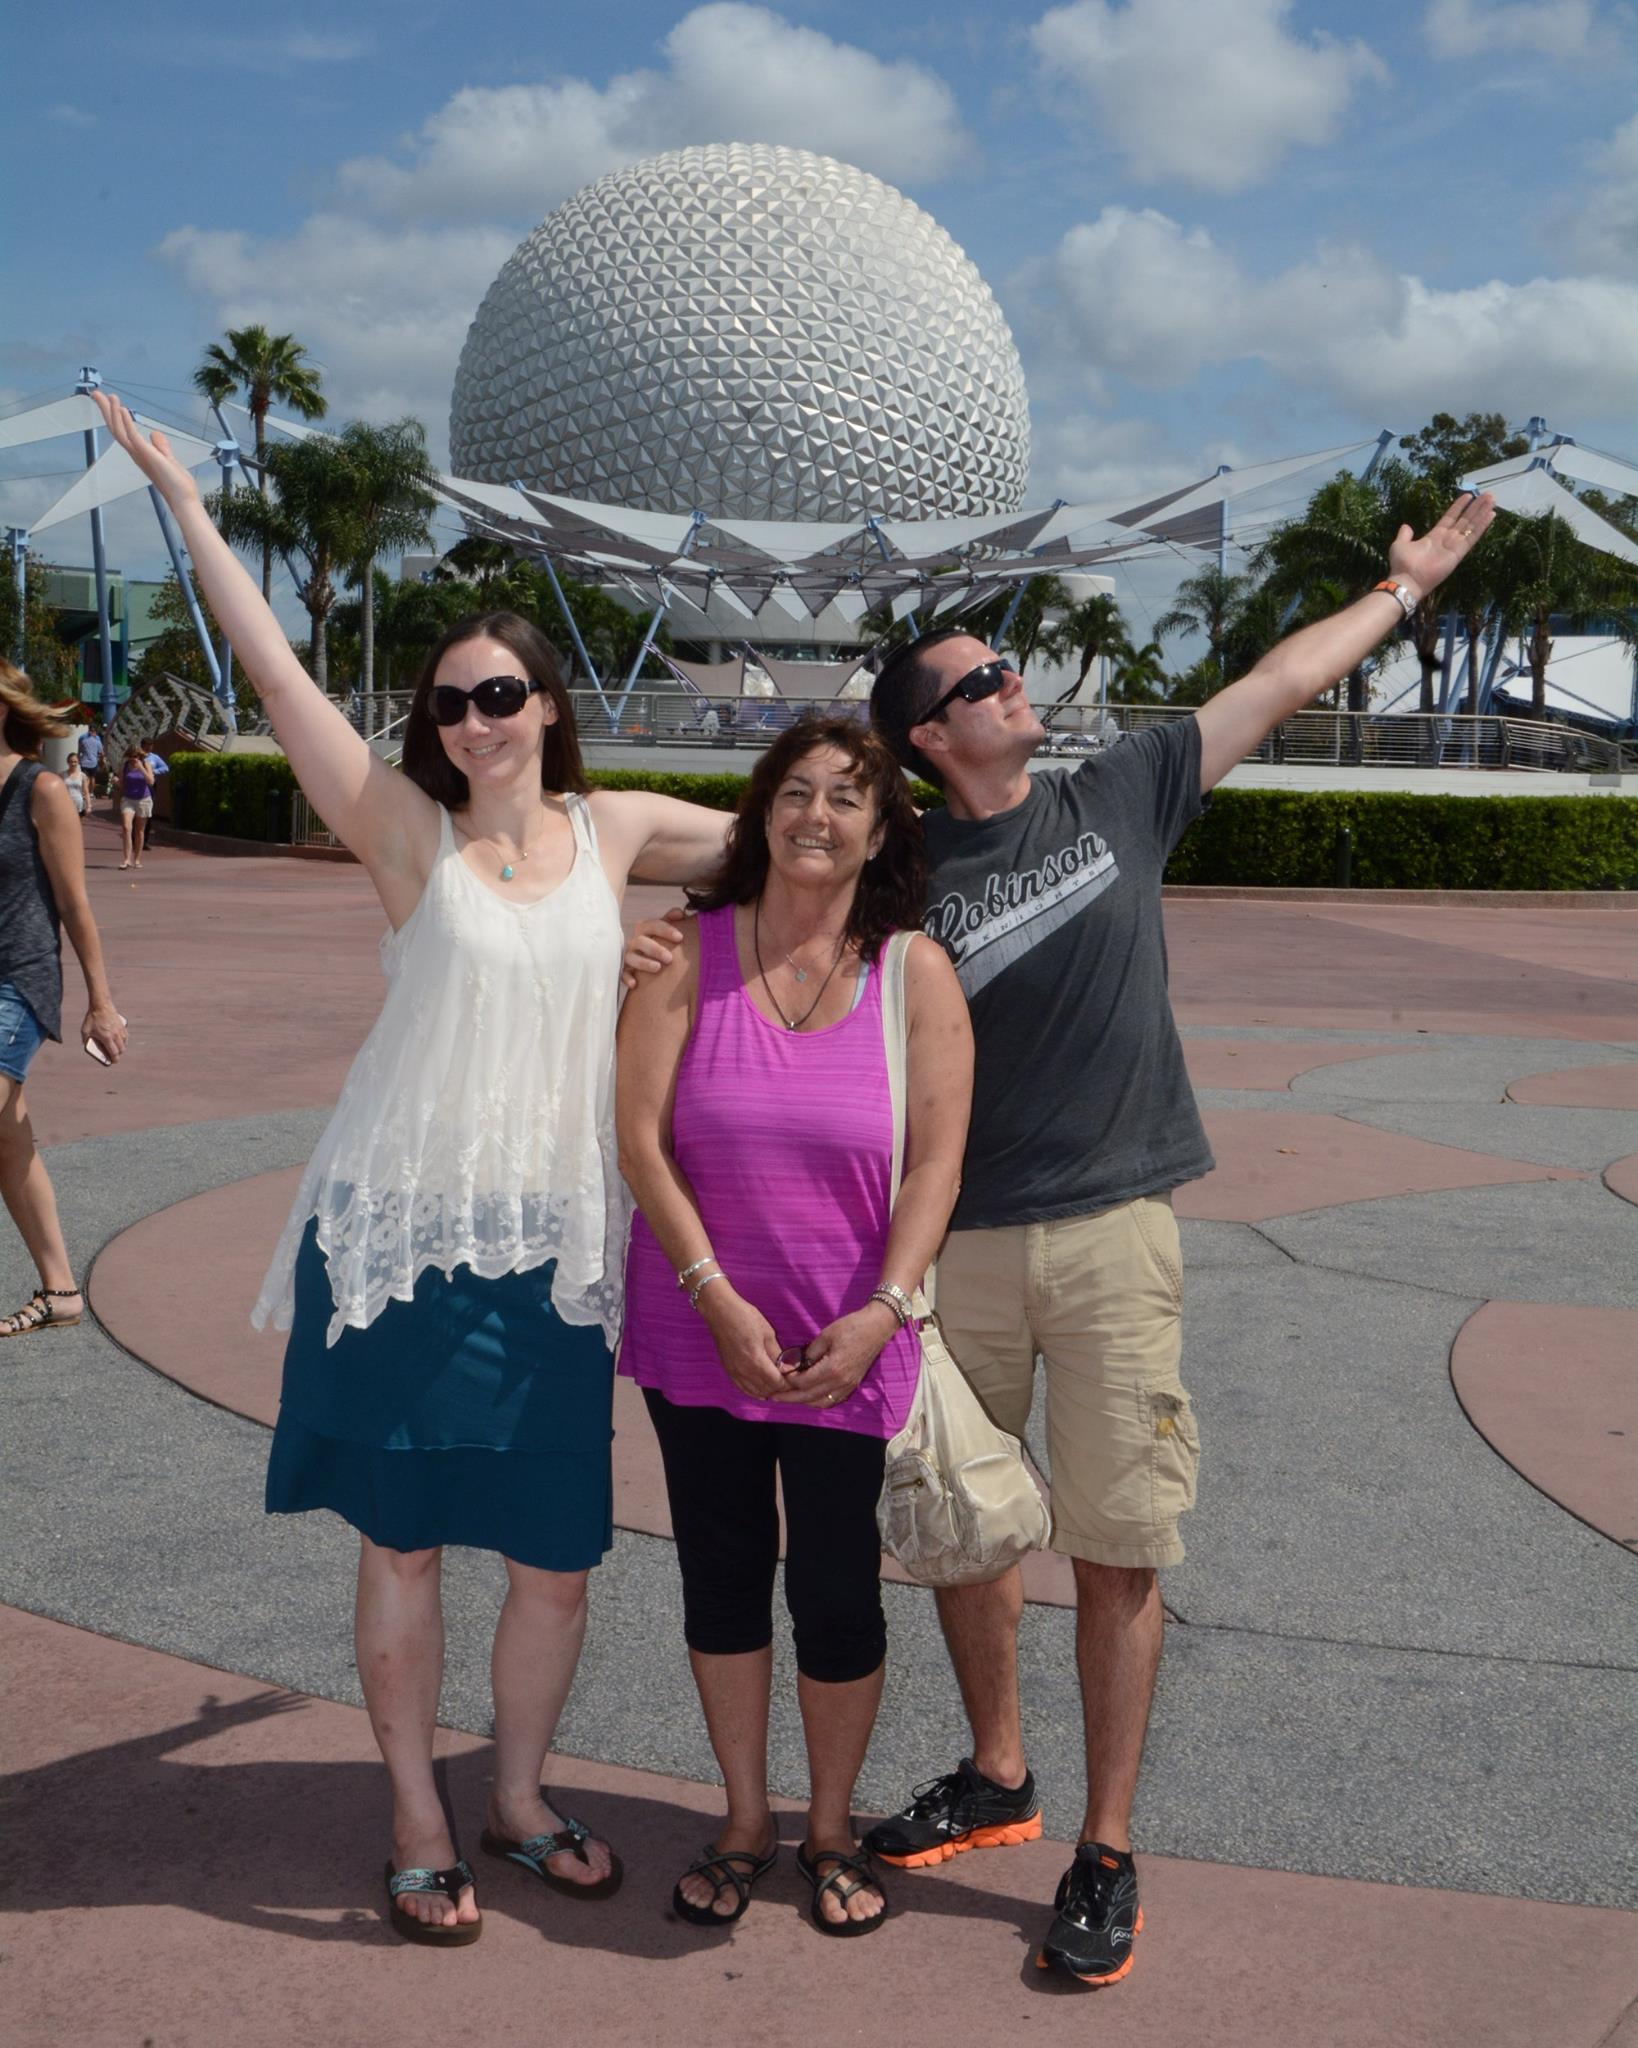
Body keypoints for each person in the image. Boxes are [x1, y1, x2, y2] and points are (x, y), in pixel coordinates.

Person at [625, 490, 1496, 1985]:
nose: (1011, 682)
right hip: (951, 1257)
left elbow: (1271, 685)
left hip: (1109, 1236)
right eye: (976, 682)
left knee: (1113, 1541)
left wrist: (1401, 596)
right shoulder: (901, 892)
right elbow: (765, 850)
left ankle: (1103, 1844)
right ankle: (996, 1769)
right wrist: (636, 931)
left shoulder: (1122, 796)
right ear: (929, 741)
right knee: (968, 1529)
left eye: (1003, 665)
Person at [93, 390, 735, 1947]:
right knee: (403, 1544)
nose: (475, 722)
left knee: (560, 1564)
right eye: (450, 704)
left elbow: (808, 838)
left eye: (501, 694)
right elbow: (276, 669)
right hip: (397, 1243)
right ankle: (411, 1808)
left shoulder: (620, 824)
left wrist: (721, 911)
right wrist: (186, 505)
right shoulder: (404, 836)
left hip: (558, 1254)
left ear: (548, 705)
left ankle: (515, 1798)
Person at [616, 714, 971, 1938]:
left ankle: (826, 1823)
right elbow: (641, 1140)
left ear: (881, 837)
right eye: (797, 791)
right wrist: (714, 1291)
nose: (817, 814)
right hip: (693, 1325)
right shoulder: (684, 953)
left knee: (835, 1593)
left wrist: (882, 1311)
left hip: (847, 1345)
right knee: (719, 1576)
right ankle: (741, 1819)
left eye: (848, 799)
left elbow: (935, 1166)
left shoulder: (914, 971)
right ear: (762, 809)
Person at [0, 660, 127, 1338]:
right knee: (9, 1137)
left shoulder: (40, 789)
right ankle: (60, 1290)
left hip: (16, 977)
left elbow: (75, 903)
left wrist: (99, 1002)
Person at [116, 743, 154, 869]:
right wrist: (116, 782)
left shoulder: (145, 764)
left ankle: (137, 859)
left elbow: (151, 781)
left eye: (136, 756)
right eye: (132, 756)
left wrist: (141, 768)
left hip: (143, 799)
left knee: (139, 831)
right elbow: (122, 784)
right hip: (128, 799)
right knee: (126, 827)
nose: (134, 758)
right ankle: (126, 859)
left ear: (140, 756)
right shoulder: (125, 765)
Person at [77, 722, 104, 800]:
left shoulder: (82, 739)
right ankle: (91, 793)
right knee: (92, 778)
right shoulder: (98, 740)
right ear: (95, 731)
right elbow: (101, 753)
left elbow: (80, 751)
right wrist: (101, 760)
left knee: (86, 778)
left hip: (84, 762)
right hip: (93, 762)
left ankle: (85, 793)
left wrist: (78, 758)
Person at [61, 752, 88, 825]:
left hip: (78, 803)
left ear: (78, 762)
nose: (73, 763)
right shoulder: (62, 775)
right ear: (67, 762)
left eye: (75, 761)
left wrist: (89, 805)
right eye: (71, 761)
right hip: (66, 803)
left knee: (77, 825)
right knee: (66, 824)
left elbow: (86, 791)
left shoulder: (82, 775)